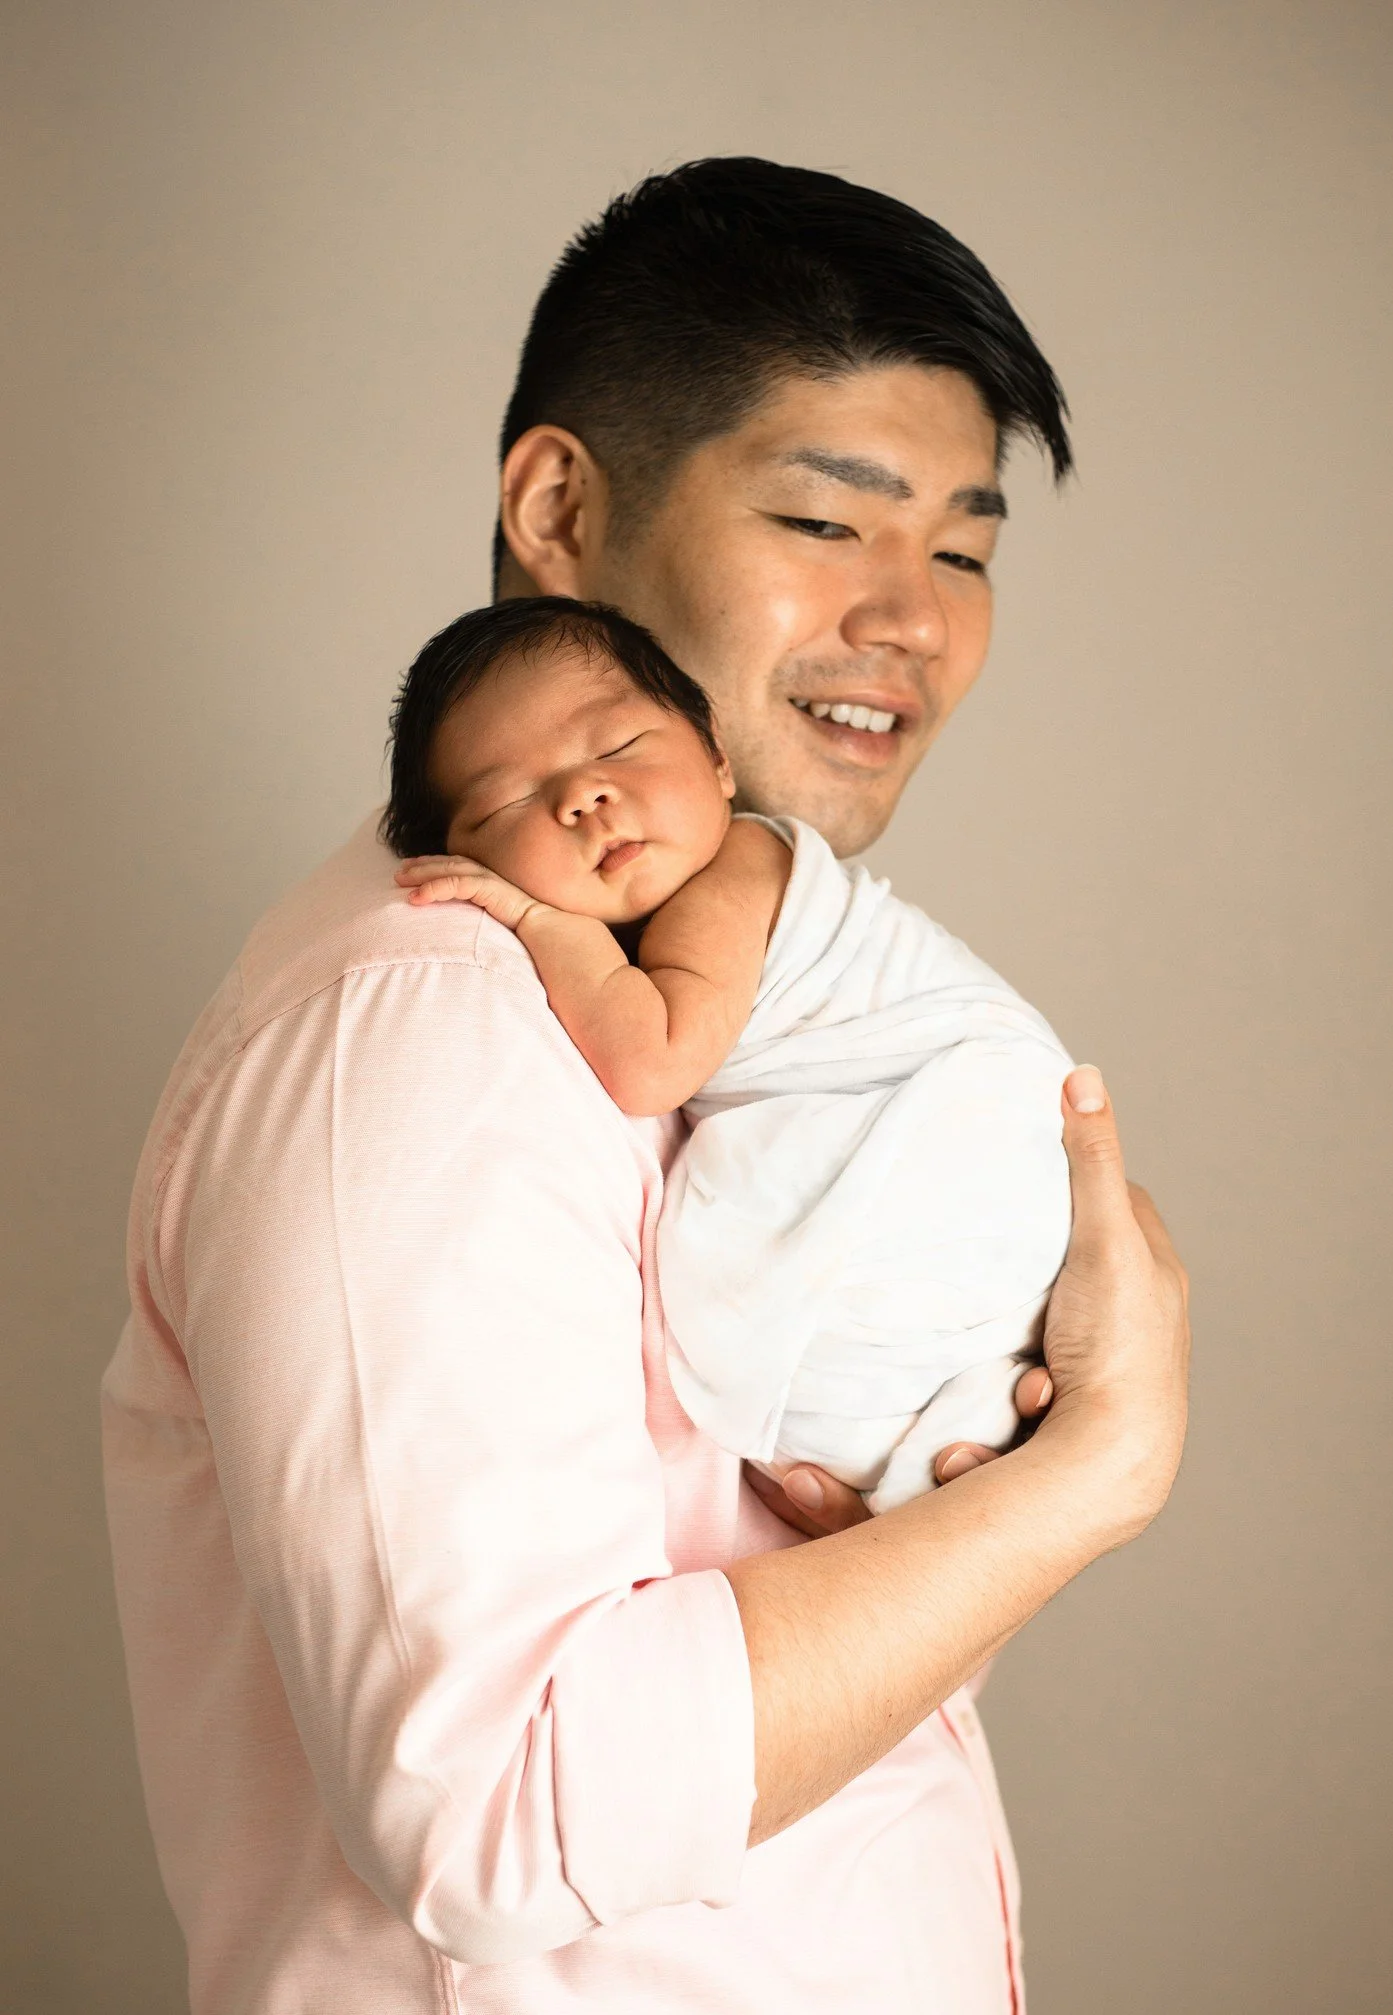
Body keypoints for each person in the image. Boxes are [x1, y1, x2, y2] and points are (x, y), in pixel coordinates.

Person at [102, 158, 1189, 2015]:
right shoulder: (429, 1026)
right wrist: (1088, 1475)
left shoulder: (738, 987)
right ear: (557, 505)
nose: (912, 621)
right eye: (827, 521)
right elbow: (495, 1814)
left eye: (964, 549)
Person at [384, 595, 1074, 1511]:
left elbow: (652, 1061)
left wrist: (546, 923)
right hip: (979, 1182)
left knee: (836, 1350)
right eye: (509, 801)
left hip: (959, 1132)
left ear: (715, 757)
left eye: (618, 746)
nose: (581, 797)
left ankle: (918, 1456)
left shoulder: (736, 873)